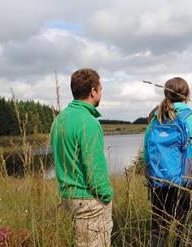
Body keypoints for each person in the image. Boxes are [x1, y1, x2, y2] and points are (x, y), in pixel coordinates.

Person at [143, 77, 192, 247]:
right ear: (187, 95)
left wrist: (157, 173)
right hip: (190, 183)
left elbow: (145, 157)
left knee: (158, 231)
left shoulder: (155, 120)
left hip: (160, 183)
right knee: (188, 232)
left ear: (166, 94)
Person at [50, 68, 114, 247]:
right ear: (93, 91)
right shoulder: (89, 122)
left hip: (68, 198)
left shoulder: (59, 120)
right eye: (100, 89)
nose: (101, 93)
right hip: (89, 201)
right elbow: (95, 168)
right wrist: (106, 195)